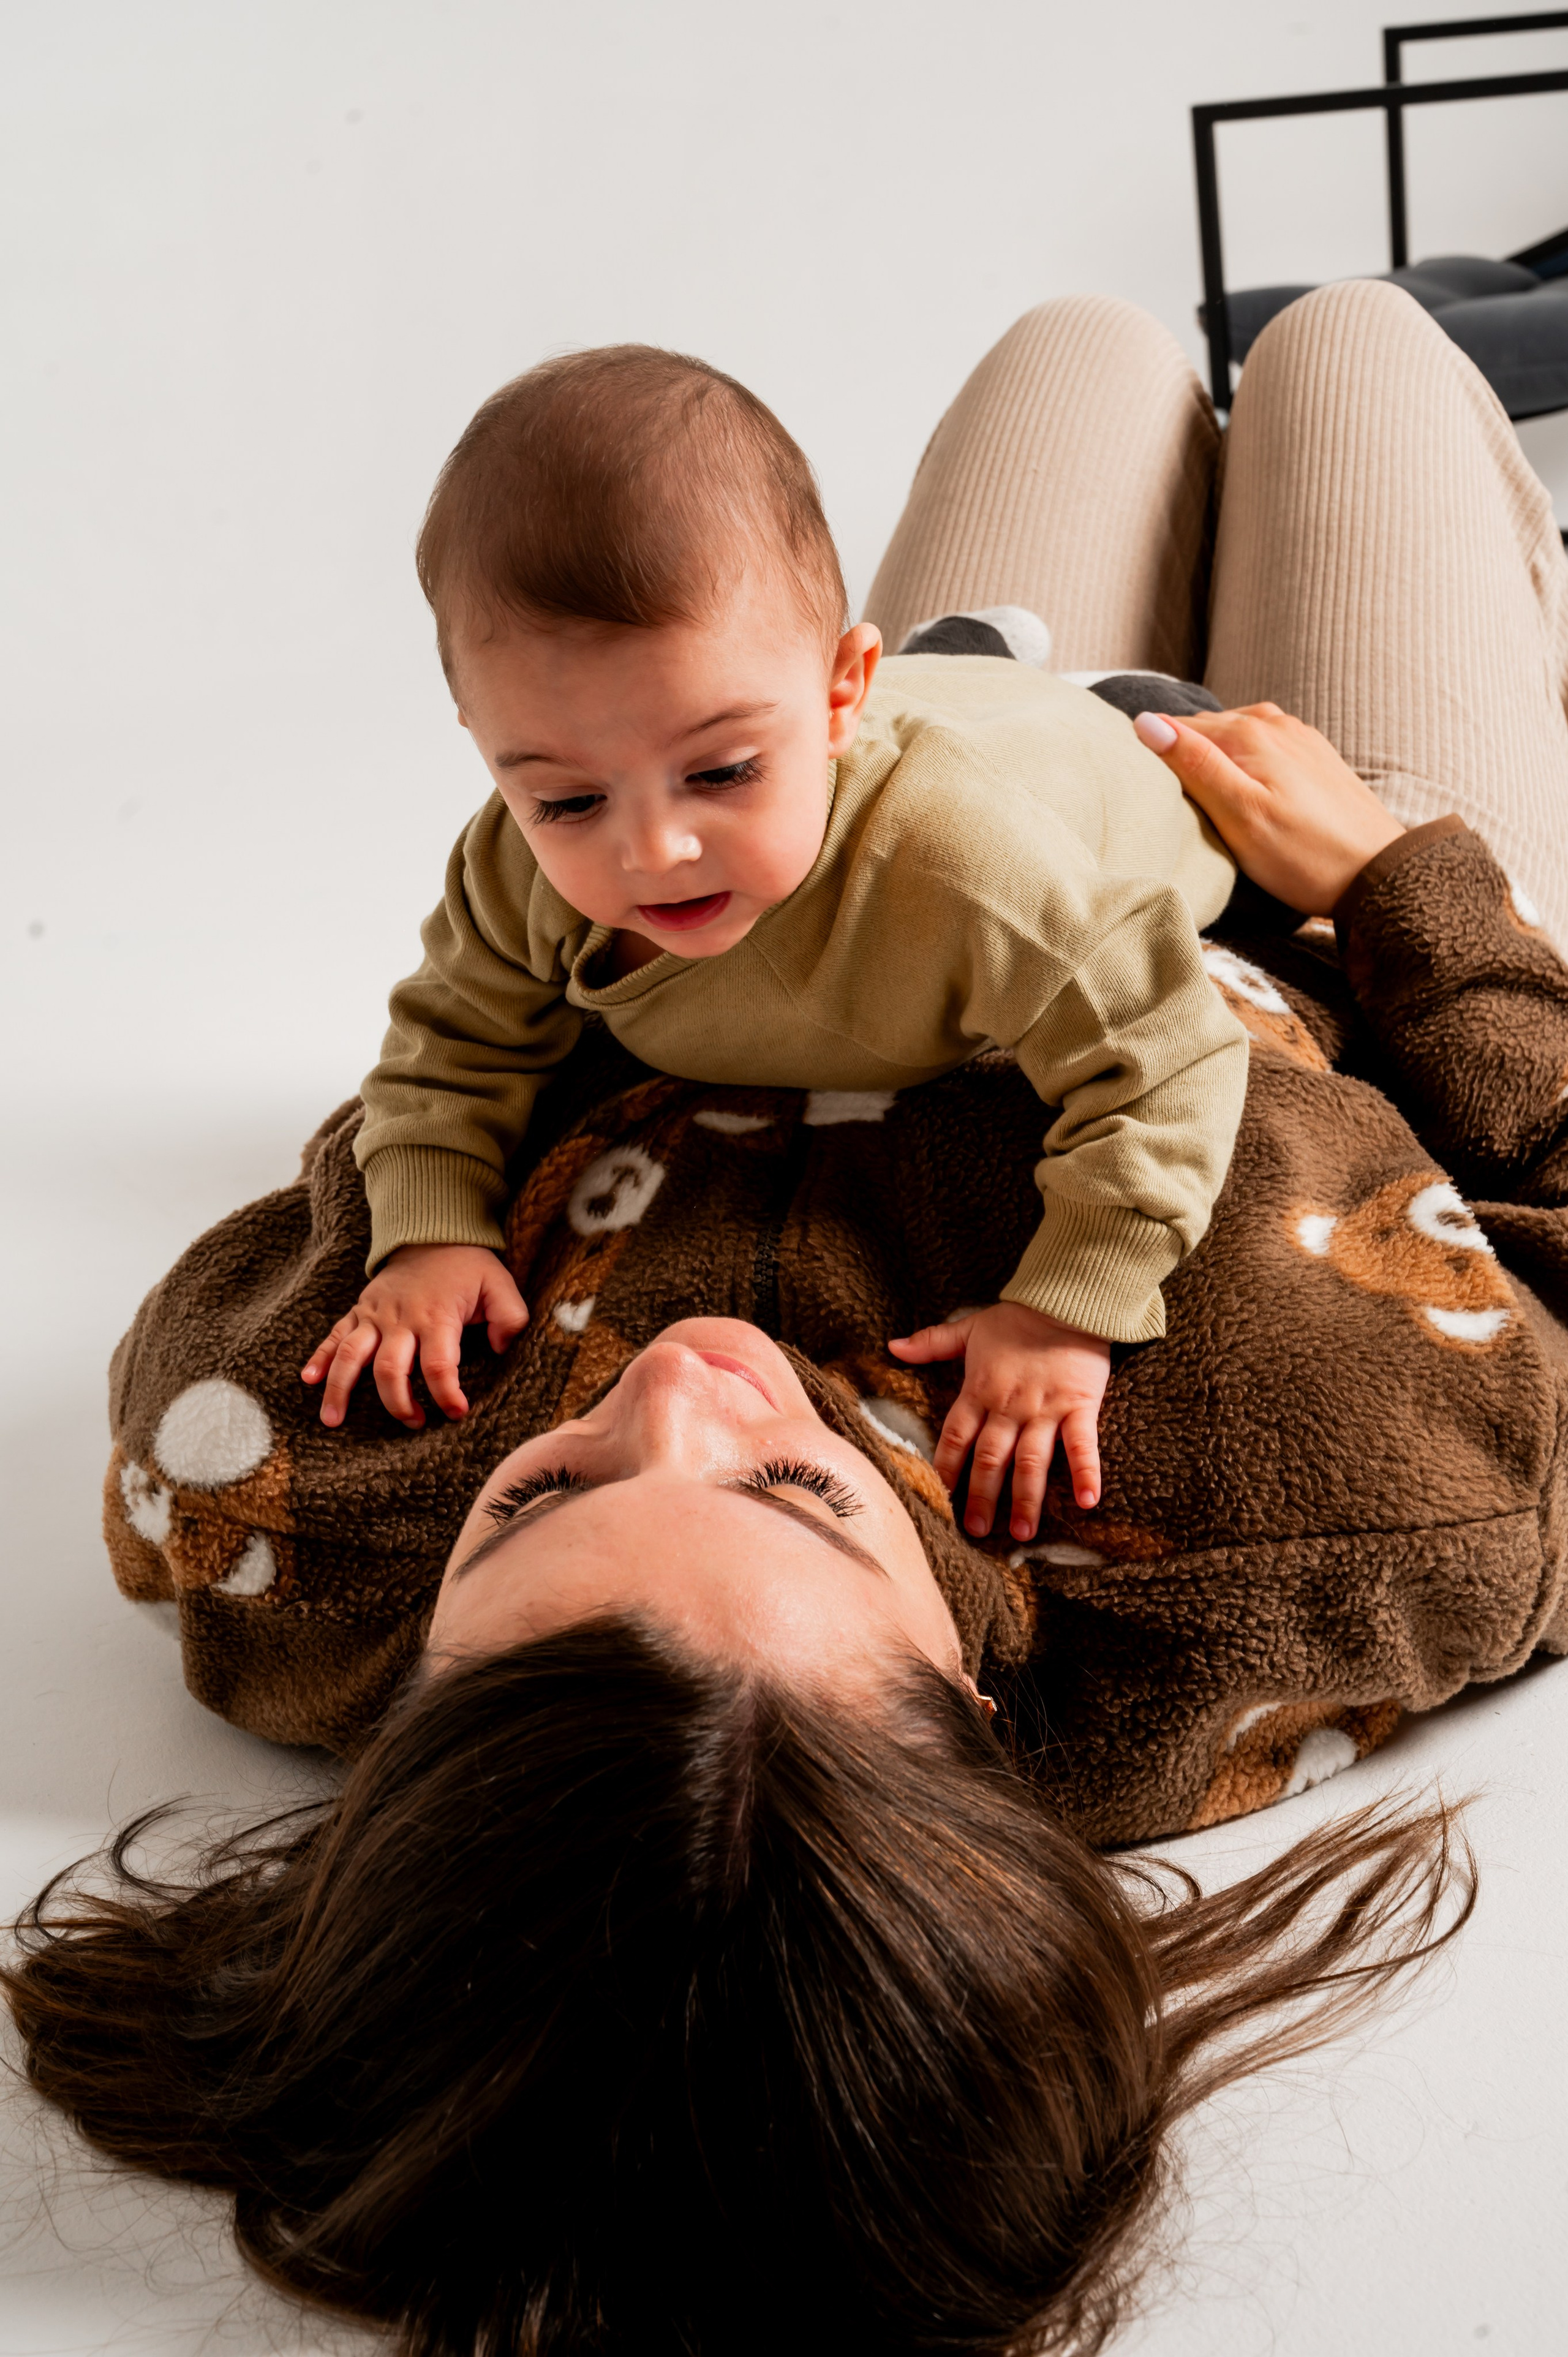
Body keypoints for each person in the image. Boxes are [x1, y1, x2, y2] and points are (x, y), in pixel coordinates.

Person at [13, 281, 1568, 2357]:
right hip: (1286, 861)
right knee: (1352, 342)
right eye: (804, 1493)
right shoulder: (1363, 1526)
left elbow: (424, 1075)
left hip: (903, 754)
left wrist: (431, 1226)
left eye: (537, 1490)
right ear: (976, 1720)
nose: (676, 1386)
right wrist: (1415, 885)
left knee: (1081, 343)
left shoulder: (293, 1517)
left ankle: (1072, 458)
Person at [301, 344, 1254, 1543]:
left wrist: (1066, 1310)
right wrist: (430, 1226)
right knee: (933, 665)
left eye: (720, 772)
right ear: (485, 745)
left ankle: (1041, 678)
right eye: (568, 799)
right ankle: (954, 659)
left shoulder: (975, 876)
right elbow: (450, 1045)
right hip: (903, 702)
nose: (653, 852)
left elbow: (1169, 1061)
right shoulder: (512, 864)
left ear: (833, 696)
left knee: (1127, 716)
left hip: (1115, 761)